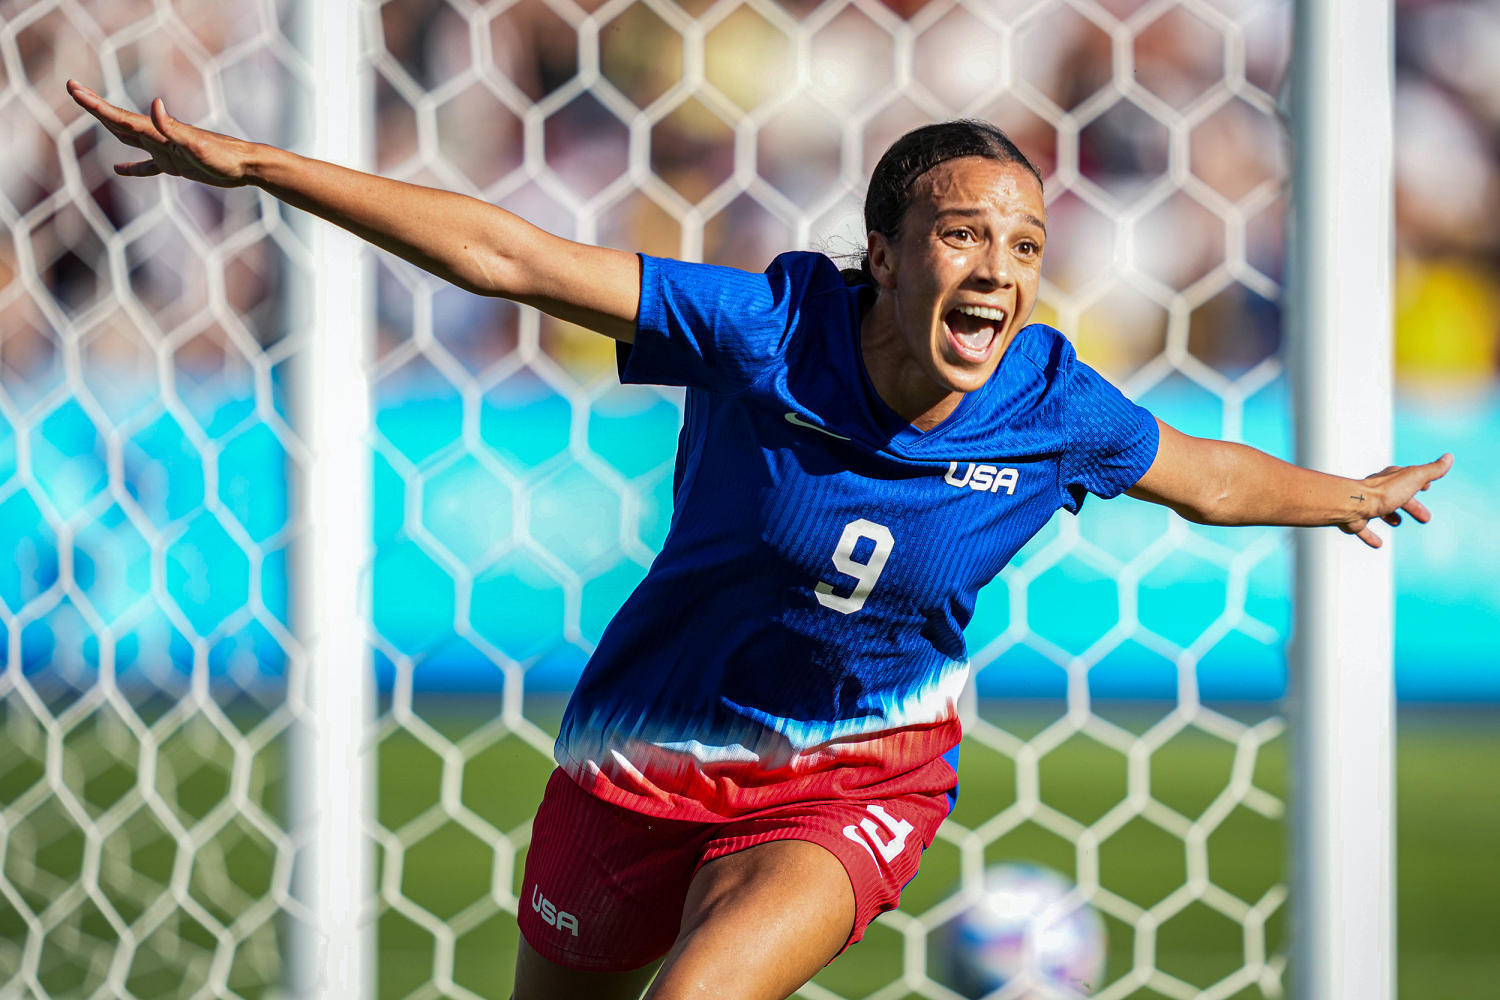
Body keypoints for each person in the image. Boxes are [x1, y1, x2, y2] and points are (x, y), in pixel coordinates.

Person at [66, 81, 1451, 1000]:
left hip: (856, 779)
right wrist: (253, 167)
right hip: (637, 765)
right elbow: (510, 257)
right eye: (966, 237)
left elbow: (1203, 475)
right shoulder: (760, 331)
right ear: (888, 255)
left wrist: (1346, 494)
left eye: (1025, 248)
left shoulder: (1051, 401)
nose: (1002, 273)